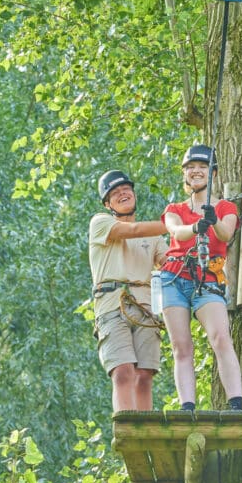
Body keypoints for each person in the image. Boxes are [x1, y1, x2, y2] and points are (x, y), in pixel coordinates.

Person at [160, 145, 242, 411]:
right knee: (181, 345)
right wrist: (196, 226)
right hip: (174, 277)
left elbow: (225, 234)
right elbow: (176, 232)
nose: (195, 171)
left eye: (202, 167)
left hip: (208, 277)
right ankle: (187, 406)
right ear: (185, 175)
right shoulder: (175, 208)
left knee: (220, 337)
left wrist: (213, 219)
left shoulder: (226, 207)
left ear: (213, 173)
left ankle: (236, 403)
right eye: (190, 167)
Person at [89, 169, 168, 412]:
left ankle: (146, 431)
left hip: (144, 308)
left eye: (126, 189)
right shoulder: (101, 223)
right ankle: (126, 425)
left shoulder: (153, 237)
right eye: (115, 193)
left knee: (144, 374)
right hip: (112, 304)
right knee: (123, 371)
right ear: (108, 203)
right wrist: (176, 224)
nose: (123, 193)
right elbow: (131, 231)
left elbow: (172, 263)